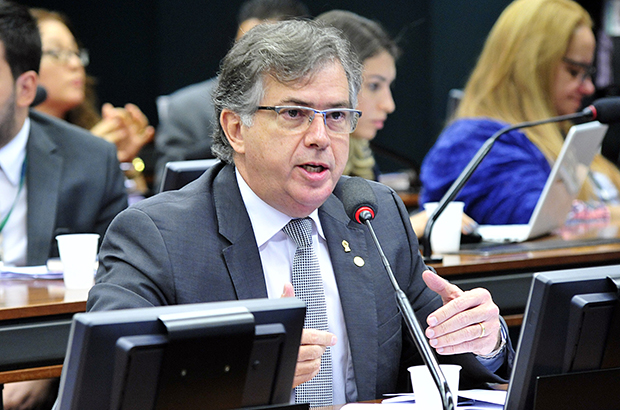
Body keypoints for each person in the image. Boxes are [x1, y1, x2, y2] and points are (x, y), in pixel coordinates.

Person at [88, 19, 514, 406]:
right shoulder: (158, 235)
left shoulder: (373, 213)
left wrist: (483, 338)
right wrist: (246, 373)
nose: (320, 137)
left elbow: (436, 350)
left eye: (336, 116)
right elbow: (107, 382)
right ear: (236, 128)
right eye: (295, 113)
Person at [0, 2, 127, 408]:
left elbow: (120, 288)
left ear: (25, 87)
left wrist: (46, 368)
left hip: (46, 363)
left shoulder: (90, 162)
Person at [420, 0, 620, 225]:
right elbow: (535, 217)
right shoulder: (475, 142)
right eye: (574, 72)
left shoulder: (559, 134)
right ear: (531, 67)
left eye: (588, 73)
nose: (589, 88)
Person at [315, 10, 478, 238]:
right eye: (374, 86)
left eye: (389, 86)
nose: (389, 105)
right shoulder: (311, 161)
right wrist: (408, 229)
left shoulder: (362, 158)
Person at [153, 0, 309, 190]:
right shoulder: (187, 110)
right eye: (242, 47)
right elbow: (166, 193)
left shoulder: (324, 110)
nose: (249, 59)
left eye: (264, 52)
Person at [30, 8, 154, 198]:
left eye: (75, 52)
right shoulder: (12, 143)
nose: (75, 64)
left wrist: (125, 162)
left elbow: (133, 213)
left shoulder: (90, 127)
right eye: (57, 53)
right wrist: (88, 157)